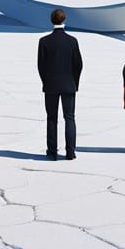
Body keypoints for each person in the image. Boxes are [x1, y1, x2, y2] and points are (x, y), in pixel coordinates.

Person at [37, 8, 82, 160]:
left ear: (52, 20)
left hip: (51, 85)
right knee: (69, 117)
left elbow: (40, 65)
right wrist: (75, 82)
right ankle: (70, 152)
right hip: (69, 84)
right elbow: (78, 64)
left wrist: (46, 81)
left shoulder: (44, 41)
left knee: (52, 118)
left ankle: (52, 152)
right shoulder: (72, 41)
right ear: (64, 20)